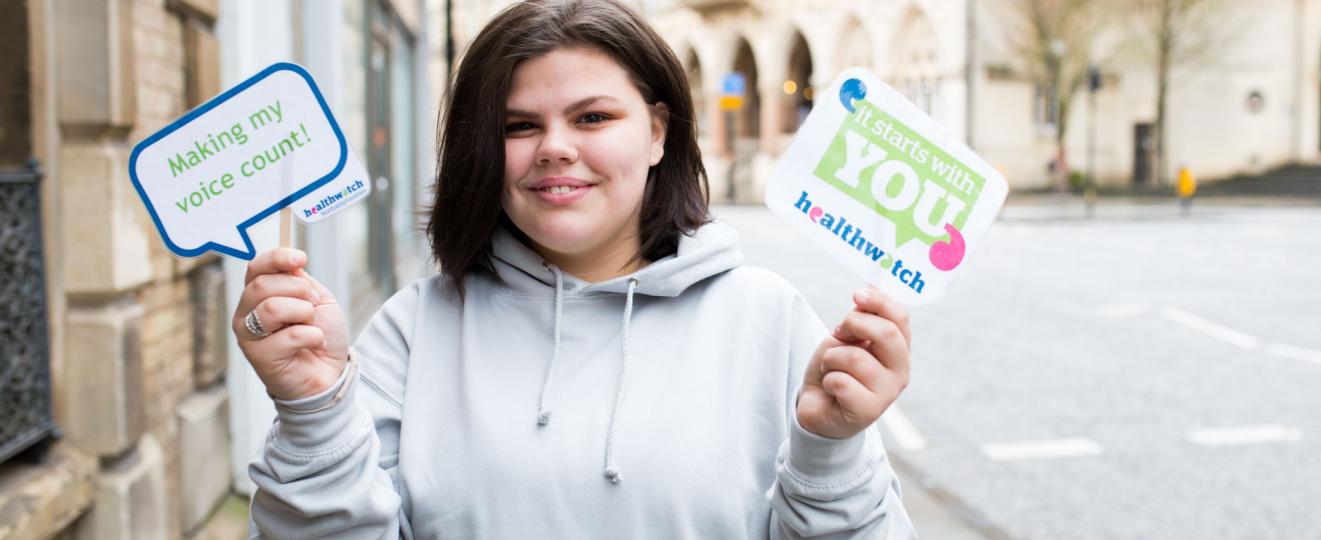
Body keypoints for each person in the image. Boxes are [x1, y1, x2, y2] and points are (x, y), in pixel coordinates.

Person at [233, 0, 916, 537]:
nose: (555, 148)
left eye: (592, 117)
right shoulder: (414, 329)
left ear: (657, 132)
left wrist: (829, 453)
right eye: (518, 126)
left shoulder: (768, 318)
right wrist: (312, 411)